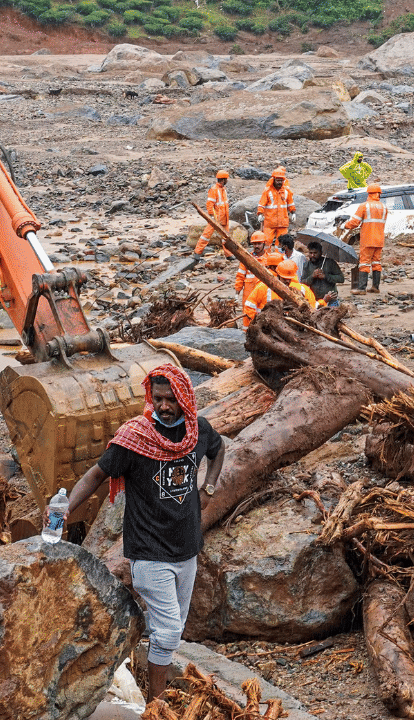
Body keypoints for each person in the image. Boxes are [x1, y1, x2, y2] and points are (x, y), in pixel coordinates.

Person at [64, 365, 223, 701]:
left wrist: (208, 486)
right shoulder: (134, 438)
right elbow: (96, 476)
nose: (163, 406)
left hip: (187, 548)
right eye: (158, 398)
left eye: (171, 399)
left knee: (173, 630)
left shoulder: (197, 431)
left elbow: (217, 449)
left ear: (184, 400)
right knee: (167, 634)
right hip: (149, 553)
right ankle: (156, 703)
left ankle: (130, 665)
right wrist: (66, 509)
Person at [243, 259, 319, 327]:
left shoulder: (303, 289)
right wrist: (259, 323)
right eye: (284, 279)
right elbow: (249, 306)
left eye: (289, 279)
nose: (287, 281)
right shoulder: (264, 287)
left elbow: (312, 309)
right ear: (278, 275)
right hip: (268, 328)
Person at [343, 184, 387, 296]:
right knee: (376, 262)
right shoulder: (384, 207)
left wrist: (345, 226)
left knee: (364, 263)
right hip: (379, 239)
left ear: (368, 194)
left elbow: (354, 222)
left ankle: (361, 289)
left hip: (368, 239)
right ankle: (375, 287)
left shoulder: (364, 206)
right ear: (379, 194)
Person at [240, 249, 284, 328]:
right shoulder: (265, 285)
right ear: (274, 267)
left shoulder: (273, 282)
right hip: (261, 328)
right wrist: (260, 324)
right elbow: (249, 306)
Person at [193, 170, 232, 258]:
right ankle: (197, 252)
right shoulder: (214, 189)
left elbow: (224, 204)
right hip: (216, 218)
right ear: (223, 180)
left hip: (224, 217)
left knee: (226, 237)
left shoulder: (223, 190)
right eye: (226, 179)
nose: (227, 181)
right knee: (206, 235)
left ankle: (228, 254)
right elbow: (209, 204)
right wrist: (211, 216)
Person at [257, 166, 295, 245]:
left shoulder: (286, 191)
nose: (279, 182)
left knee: (282, 243)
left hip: (282, 223)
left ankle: (279, 256)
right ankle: (266, 257)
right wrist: (260, 214)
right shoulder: (267, 191)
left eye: (281, 180)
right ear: (273, 180)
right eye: (277, 180)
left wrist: (293, 212)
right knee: (267, 242)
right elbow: (261, 204)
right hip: (270, 222)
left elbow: (290, 203)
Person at [300, 241, 344, 307]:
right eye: (310, 253)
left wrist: (325, 276)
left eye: (315, 253)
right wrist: (312, 276)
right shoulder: (307, 265)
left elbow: (341, 278)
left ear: (320, 252)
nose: (312, 255)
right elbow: (303, 282)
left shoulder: (330, 263)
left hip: (331, 299)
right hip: (314, 300)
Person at [233, 231, 268, 303]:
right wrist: (237, 294)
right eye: (255, 244)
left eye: (259, 244)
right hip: (249, 292)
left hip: (263, 293)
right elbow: (240, 276)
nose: (256, 246)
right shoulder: (246, 259)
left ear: (264, 243)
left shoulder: (269, 259)